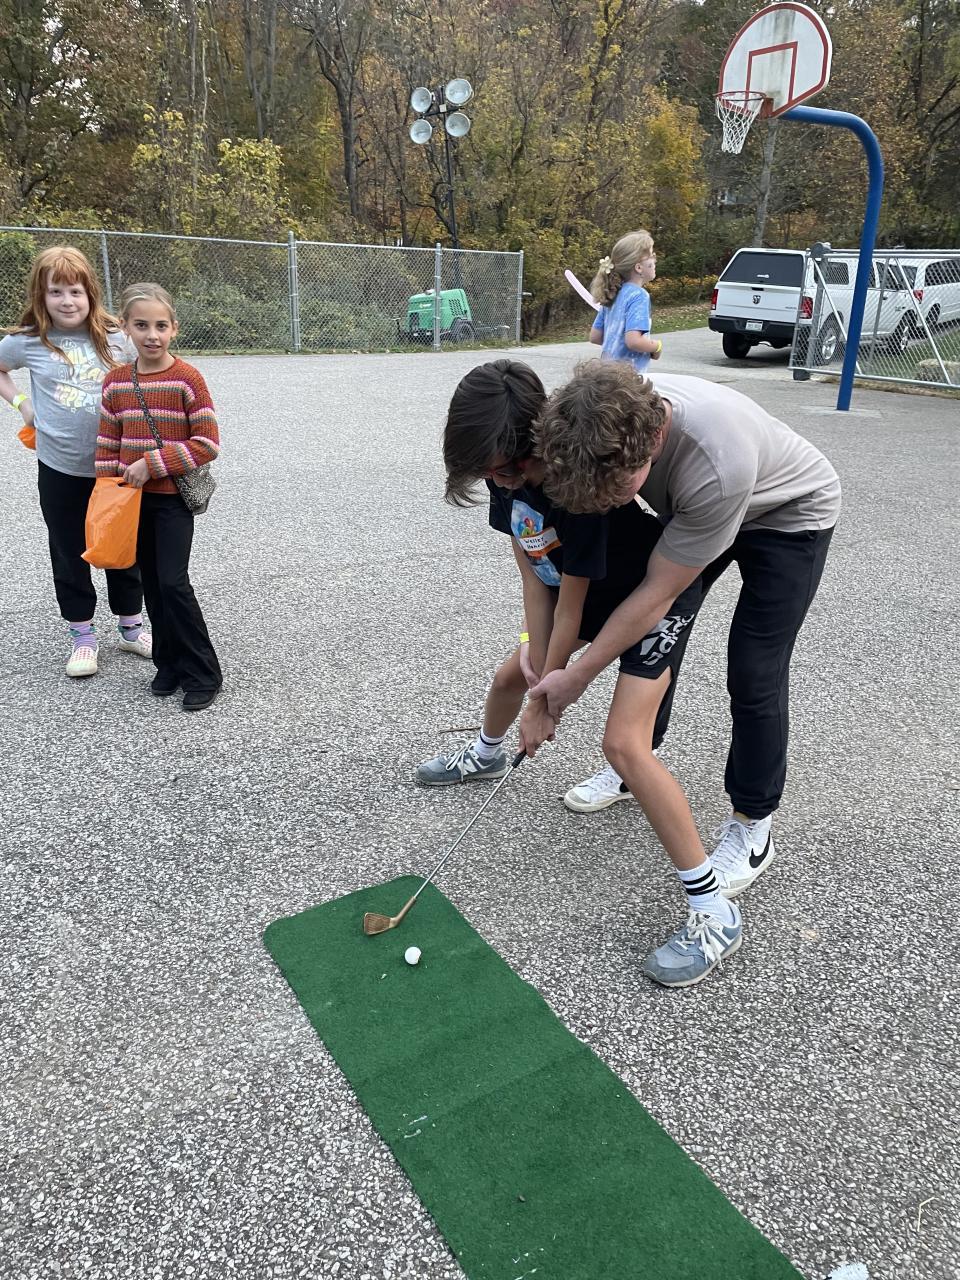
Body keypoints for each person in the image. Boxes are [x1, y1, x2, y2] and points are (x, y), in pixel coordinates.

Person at [523, 360, 841, 986]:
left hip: (787, 514)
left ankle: (753, 822)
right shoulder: (604, 424)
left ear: (654, 442)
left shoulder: (714, 463)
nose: (610, 503)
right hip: (698, 511)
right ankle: (635, 760)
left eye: (619, 489)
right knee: (661, 636)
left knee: (753, 669)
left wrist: (575, 677)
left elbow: (656, 594)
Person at [416, 360, 702, 883]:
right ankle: (487, 755)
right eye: (489, 474)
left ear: (539, 441)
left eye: (507, 471)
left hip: (647, 602)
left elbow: (572, 605)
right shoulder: (506, 478)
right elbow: (535, 581)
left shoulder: (576, 496)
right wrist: (534, 656)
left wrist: (545, 701)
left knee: (623, 744)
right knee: (511, 675)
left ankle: (707, 897)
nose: (500, 483)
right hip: (585, 601)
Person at [0, 246, 152, 678]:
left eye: (75, 291)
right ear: (41, 295)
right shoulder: (28, 341)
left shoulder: (117, 337)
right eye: (56, 292)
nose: (67, 301)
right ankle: (83, 636)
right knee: (68, 550)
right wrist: (23, 405)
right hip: (60, 468)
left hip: (115, 467)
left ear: (90, 294)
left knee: (122, 546)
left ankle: (131, 627)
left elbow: (151, 367)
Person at [97, 283, 222, 711]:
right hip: (132, 503)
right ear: (126, 328)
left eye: (161, 326)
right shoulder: (115, 382)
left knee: (172, 582)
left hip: (171, 500)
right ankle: (167, 664)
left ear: (174, 329)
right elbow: (107, 445)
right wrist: (107, 494)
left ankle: (203, 672)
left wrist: (153, 463)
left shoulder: (187, 379)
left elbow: (207, 443)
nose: (152, 335)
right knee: (150, 584)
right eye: (142, 325)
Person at [590, 230, 662, 374]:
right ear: (639, 267)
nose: (654, 260)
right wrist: (657, 347)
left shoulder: (612, 293)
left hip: (606, 375)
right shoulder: (639, 296)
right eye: (651, 255)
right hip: (628, 380)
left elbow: (595, 337)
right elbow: (634, 341)